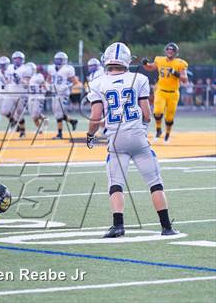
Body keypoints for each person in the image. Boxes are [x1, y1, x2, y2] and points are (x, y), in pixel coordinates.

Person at [86, 42, 179, 238]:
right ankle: (166, 227)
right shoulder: (139, 79)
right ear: (127, 61)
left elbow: (95, 117)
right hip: (137, 136)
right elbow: (147, 113)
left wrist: (90, 135)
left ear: (107, 60)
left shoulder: (97, 83)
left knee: (115, 182)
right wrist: (142, 128)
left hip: (116, 140)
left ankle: (118, 225)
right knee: (155, 182)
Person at [142, 42, 188, 142]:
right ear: (165, 51)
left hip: (173, 92)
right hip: (160, 91)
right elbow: (150, 67)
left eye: (172, 50)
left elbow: (185, 79)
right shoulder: (160, 60)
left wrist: (177, 74)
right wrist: (145, 63)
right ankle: (158, 129)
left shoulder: (180, 63)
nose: (169, 52)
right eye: (168, 50)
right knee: (157, 112)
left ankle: (167, 133)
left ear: (176, 52)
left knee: (169, 116)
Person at [47, 52, 78, 139]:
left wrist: (66, 86)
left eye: (59, 60)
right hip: (54, 93)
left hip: (63, 93)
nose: (57, 61)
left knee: (59, 113)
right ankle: (72, 121)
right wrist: (47, 85)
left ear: (64, 60)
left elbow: (75, 82)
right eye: (56, 59)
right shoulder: (51, 68)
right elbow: (48, 79)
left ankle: (60, 134)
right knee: (56, 113)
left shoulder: (68, 69)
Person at [3, 51, 30, 136]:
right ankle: (14, 121)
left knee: (19, 113)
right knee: (4, 111)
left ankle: (22, 131)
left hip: (20, 94)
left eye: (19, 59)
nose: (17, 60)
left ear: (23, 60)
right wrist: (5, 84)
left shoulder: (26, 68)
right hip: (10, 93)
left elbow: (27, 84)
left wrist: (20, 80)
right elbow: (8, 80)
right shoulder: (9, 67)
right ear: (13, 59)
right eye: (15, 59)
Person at [28, 65, 48, 132]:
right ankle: (41, 127)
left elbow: (44, 85)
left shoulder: (39, 76)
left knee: (34, 115)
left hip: (38, 97)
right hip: (31, 97)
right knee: (33, 115)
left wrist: (44, 91)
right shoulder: (30, 77)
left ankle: (45, 123)